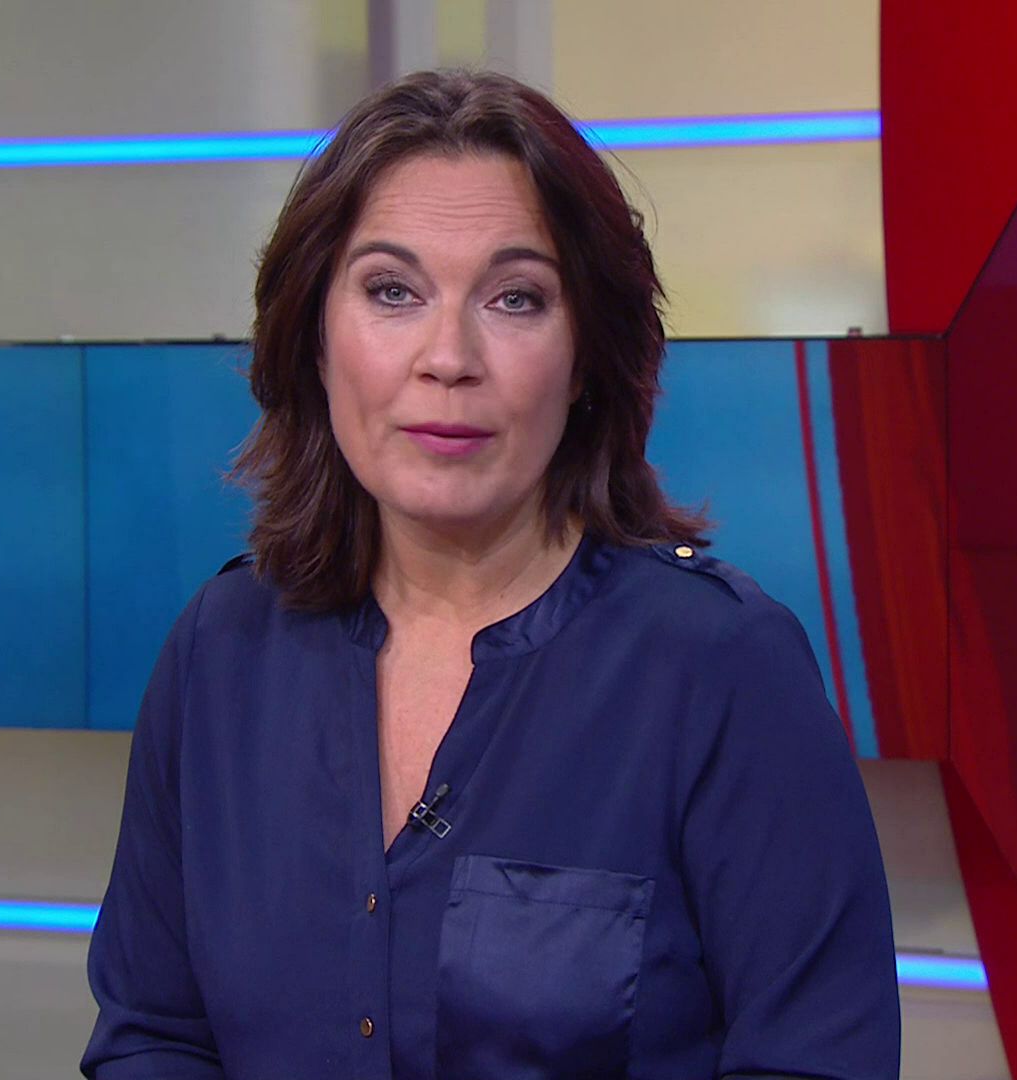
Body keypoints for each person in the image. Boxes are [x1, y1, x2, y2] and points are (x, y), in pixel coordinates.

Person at [80, 68, 900, 1080]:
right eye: (392, 291)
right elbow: (153, 1036)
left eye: (516, 299)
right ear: (314, 338)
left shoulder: (721, 668)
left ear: (586, 357)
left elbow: (815, 1060)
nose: (448, 357)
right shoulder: (222, 650)